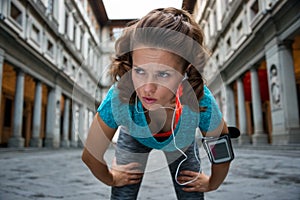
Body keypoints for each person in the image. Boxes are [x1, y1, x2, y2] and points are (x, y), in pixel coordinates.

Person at [82, 7, 232, 200]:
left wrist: (212, 183)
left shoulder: (199, 100)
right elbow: (90, 154)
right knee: (123, 194)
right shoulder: (120, 97)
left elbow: (221, 150)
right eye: (140, 71)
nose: (147, 88)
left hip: (181, 140)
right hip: (134, 135)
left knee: (191, 193)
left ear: (185, 70)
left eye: (163, 74)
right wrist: (111, 178)